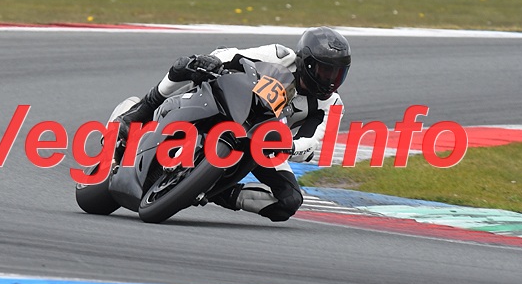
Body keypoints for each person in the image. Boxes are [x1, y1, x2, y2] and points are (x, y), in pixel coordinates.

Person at [115, 26, 351, 222]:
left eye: (337, 74)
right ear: (307, 62)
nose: (331, 81)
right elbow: (233, 54)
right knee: (185, 65)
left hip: (264, 141)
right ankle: (143, 109)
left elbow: (311, 141)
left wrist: (288, 147)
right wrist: (213, 61)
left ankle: (221, 193)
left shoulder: (332, 105)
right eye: (325, 71)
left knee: (289, 201)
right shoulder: (280, 55)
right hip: (232, 104)